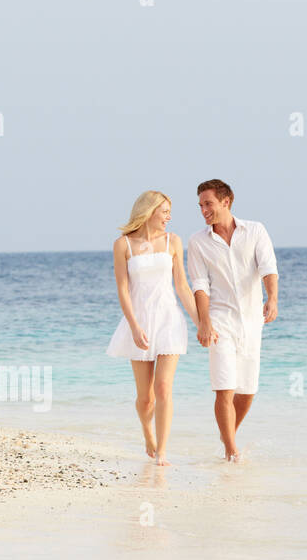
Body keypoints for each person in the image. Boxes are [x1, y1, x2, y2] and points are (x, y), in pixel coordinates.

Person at [186, 179, 279, 462]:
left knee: (247, 391)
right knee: (224, 387)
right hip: (220, 320)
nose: (203, 210)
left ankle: (228, 436)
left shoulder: (255, 231)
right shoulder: (198, 242)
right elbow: (199, 285)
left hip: (251, 323)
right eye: (201, 205)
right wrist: (204, 322)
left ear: (226, 201)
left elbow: (268, 267)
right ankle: (231, 451)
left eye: (208, 204)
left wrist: (272, 298)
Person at [106, 191, 200, 466]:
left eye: (170, 212)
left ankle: (162, 452)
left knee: (163, 388)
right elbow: (123, 289)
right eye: (165, 211)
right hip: (139, 322)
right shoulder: (123, 245)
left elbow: (182, 286)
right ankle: (148, 433)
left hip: (169, 320)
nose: (169, 217)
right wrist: (134, 326)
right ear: (149, 211)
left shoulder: (173, 241)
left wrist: (200, 323)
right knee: (145, 399)